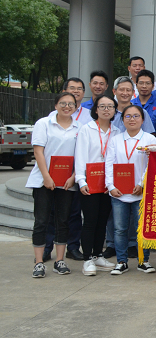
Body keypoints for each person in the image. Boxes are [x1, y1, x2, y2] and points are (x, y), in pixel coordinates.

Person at [29, 92, 81, 278]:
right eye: (63, 103)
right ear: (55, 105)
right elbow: (38, 151)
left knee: (63, 220)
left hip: (67, 182)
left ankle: (60, 260)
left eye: (71, 104)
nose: (67, 107)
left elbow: (81, 155)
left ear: (76, 107)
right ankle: (39, 262)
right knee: (41, 221)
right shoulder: (44, 123)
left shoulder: (79, 127)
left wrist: (74, 177)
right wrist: (46, 176)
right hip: (43, 180)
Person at [105, 105, 156, 275]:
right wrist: (111, 186)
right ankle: (121, 262)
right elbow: (109, 164)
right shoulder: (115, 140)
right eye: (128, 116)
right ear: (122, 120)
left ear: (142, 119)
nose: (132, 119)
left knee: (141, 228)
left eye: (136, 116)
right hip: (119, 193)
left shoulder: (149, 139)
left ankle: (144, 261)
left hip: (141, 192)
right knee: (120, 229)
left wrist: (142, 184)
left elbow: (153, 165)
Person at [74, 95, 119, 276]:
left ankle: (98, 255)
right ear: (96, 109)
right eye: (102, 106)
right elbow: (80, 155)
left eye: (110, 106)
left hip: (108, 183)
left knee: (102, 221)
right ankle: (87, 259)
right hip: (90, 181)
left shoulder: (116, 131)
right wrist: (81, 180)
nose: (106, 110)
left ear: (115, 110)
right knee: (90, 221)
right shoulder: (87, 129)